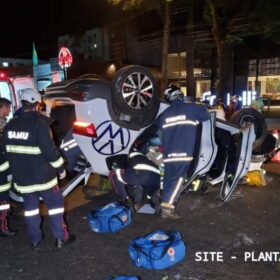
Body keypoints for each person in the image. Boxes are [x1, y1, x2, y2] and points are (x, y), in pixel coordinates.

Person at [0, 88, 75, 248]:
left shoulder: (9, 126)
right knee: (55, 207)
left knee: (30, 210)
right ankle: (61, 238)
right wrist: (61, 169)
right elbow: (51, 152)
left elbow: (5, 153)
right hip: (44, 178)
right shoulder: (40, 125)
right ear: (36, 104)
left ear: (22, 103)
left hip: (23, 180)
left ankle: (35, 239)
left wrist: (10, 173)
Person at [157, 85, 211, 219]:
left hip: (169, 155)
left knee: (169, 180)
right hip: (182, 153)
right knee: (177, 181)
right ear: (180, 95)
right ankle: (167, 210)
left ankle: (164, 204)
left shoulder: (165, 114)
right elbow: (206, 114)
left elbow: (159, 133)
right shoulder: (190, 108)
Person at [0, 97, 17, 237]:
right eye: (8, 108)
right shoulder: (1, 126)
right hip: (1, 172)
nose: (10, 110)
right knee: (3, 201)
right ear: (2, 108)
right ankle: (3, 228)